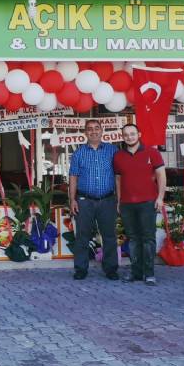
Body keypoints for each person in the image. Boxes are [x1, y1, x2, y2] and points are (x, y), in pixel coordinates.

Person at [113, 123, 166, 286]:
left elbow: (161, 175)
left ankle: (149, 273)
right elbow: (118, 180)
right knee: (133, 239)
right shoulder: (118, 156)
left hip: (148, 202)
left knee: (148, 238)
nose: (129, 137)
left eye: (132, 133)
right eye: (126, 134)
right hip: (127, 204)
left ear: (139, 134)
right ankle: (136, 273)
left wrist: (160, 197)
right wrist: (119, 201)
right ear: (123, 137)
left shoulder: (153, 153)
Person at [68, 119, 120, 280]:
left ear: (102, 130)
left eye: (97, 128)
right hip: (84, 200)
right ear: (85, 132)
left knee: (109, 235)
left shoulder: (113, 151)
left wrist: (119, 199)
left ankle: (111, 269)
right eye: (90, 129)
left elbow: (118, 177)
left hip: (107, 200)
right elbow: (73, 178)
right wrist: (72, 200)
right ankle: (81, 269)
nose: (93, 131)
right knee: (82, 236)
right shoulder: (79, 153)